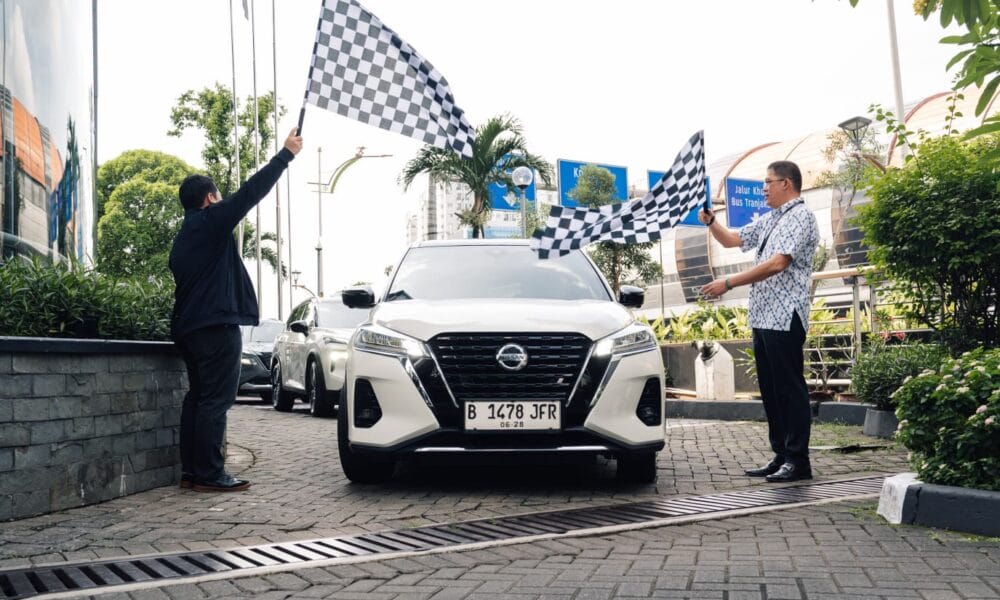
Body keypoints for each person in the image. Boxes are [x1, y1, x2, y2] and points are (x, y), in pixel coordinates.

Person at [169, 128, 303, 492]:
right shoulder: (210, 222)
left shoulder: (184, 238)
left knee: (198, 398)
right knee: (216, 400)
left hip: (189, 329)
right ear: (210, 198)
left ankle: (193, 472)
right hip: (215, 328)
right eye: (218, 197)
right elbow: (249, 193)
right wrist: (285, 155)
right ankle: (210, 474)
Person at [697, 161, 819, 483]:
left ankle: (798, 460)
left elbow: (778, 263)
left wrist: (728, 283)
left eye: (768, 182)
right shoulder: (771, 218)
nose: (763, 188)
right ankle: (781, 455)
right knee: (771, 390)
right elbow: (732, 240)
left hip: (785, 315)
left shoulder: (801, 216)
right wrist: (712, 222)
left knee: (790, 389)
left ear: (786, 183)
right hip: (764, 315)